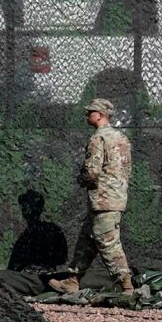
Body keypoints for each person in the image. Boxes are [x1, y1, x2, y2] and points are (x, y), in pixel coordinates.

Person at [52, 97, 133, 295]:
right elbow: (126, 169)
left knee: (108, 242)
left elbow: (92, 171)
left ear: (100, 115)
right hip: (115, 196)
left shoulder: (98, 138)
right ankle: (72, 281)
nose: (87, 115)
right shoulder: (122, 138)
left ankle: (127, 286)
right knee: (87, 239)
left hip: (103, 199)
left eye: (90, 112)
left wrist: (81, 180)